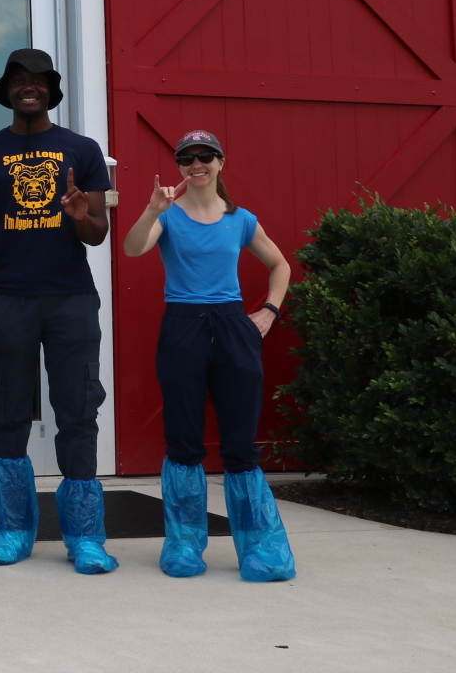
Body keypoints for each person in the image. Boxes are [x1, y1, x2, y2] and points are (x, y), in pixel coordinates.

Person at [0, 49, 117, 573]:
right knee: (6, 411)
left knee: (77, 411)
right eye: (20, 81)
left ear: (51, 90)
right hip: (7, 299)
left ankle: (85, 536)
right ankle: (12, 527)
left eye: (39, 81)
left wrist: (78, 215)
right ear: (7, 91)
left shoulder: (82, 149)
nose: (30, 88)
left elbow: (98, 233)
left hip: (70, 297)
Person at [121, 129, 296, 582]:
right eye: (186, 158)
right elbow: (132, 248)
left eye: (205, 156)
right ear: (179, 166)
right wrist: (151, 210)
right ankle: (183, 545)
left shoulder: (241, 220)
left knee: (240, 443)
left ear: (221, 162)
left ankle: (262, 550)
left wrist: (269, 312)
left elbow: (281, 265)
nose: (195, 164)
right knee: (183, 439)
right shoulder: (168, 216)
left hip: (233, 327)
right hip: (182, 327)